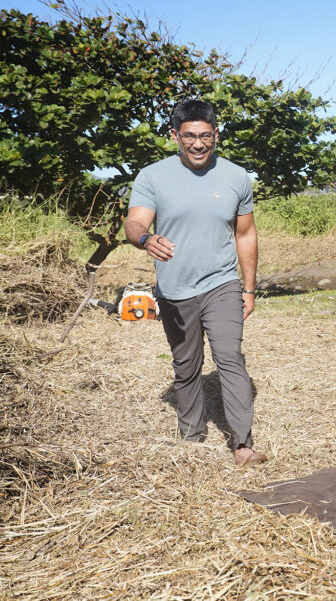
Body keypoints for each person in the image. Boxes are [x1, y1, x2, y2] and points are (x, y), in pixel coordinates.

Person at [124, 99, 267, 466]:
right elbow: (134, 223)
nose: (198, 144)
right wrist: (145, 239)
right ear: (175, 136)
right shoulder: (153, 176)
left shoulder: (237, 177)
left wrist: (248, 288)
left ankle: (242, 444)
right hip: (174, 287)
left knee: (229, 357)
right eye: (189, 136)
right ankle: (192, 433)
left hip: (222, 282)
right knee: (186, 363)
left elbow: (246, 234)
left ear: (216, 134)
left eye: (206, 136)